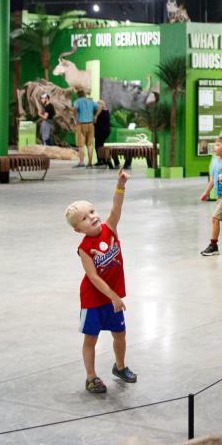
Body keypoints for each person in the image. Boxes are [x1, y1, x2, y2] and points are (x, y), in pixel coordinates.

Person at [65, 168, 138, 394]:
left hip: (112, 298)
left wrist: (121, 185)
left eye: (92, 211)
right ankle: (91, 377)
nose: (92, 217)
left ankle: (120, 366)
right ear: (78, 229)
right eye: (85, 219)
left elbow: (117, 206)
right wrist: (114, 296)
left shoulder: (110, 228)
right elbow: (93, 277)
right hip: (94, 299)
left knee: (120, 334)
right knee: (91, 338)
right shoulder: (84, 248)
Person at [73, 89, 99, 168]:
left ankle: (81, 162)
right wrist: (95, 116)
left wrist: (75, 118)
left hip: (81, 125)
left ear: (78, 95)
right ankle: (90, 163)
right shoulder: (90, 101)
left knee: (80, 145)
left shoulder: (77, 101)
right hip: (90, 125)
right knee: (90, 145)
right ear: (84, 95)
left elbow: (75, 109)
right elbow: (98, 107)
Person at [93, 100, 114, 168]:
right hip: (106, 131)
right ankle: (104, 160)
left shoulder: (100, 112)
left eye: (97, 104)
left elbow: (95, 121)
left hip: (100, 132)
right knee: (101, 145)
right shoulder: (106, 111)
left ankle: (101, 161)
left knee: (98, 146)